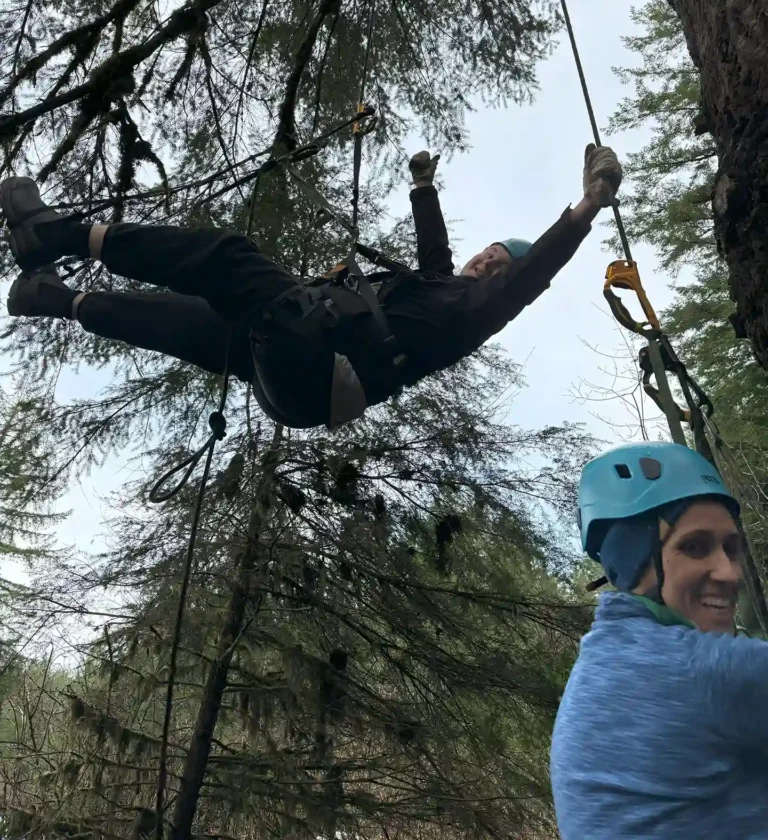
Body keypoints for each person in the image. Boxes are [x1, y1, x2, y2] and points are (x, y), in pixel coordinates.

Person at [0, 142, 621, 430]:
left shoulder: (473, 313)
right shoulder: (438, 283)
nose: (486, 265)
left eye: (498, 266)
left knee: (231, 259)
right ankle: (52, 298)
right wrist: (423, 187)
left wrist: (588, 206)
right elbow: (435, 251)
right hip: (297, 357)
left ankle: (55, 234)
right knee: (176, 318)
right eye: (487, 254)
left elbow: (530, 276)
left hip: (323, 373)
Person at [551, 440, 768, 840]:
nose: (729, 572)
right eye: (695, 547)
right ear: (636, 561)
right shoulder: (699, 669)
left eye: (731, 548)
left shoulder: (602, 665)